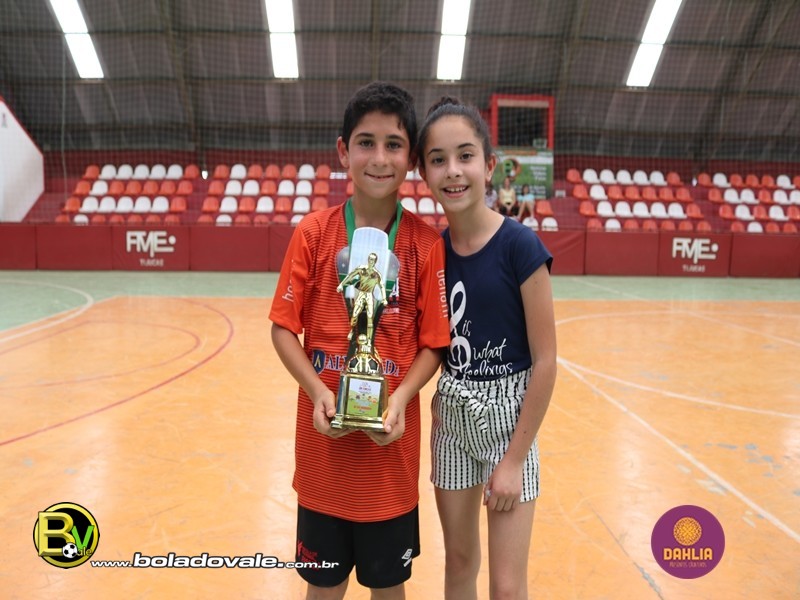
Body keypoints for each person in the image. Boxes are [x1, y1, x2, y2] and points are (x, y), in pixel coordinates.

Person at [269, 81, 450, 600]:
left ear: (411, 158)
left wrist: (401, 399)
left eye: (394, 144)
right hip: (322, 462)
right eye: (366, 143)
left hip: (390, 466)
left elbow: (433, 344)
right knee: (322, 588)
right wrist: (317, 392)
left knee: (388, 589)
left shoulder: (425, 245)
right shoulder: (313, 233)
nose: (379, 158)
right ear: (344, 151)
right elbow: (283, 328)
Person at [416, 97, 557, 600]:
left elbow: (546, 361)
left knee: (506, 585)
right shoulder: (432, 253)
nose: (453, 171)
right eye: (438, 159)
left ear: (489, 165)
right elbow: (432, 345)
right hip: (452, 420)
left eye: (465, 155)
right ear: (424, 173)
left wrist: (514, 460)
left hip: (510, 425)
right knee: (459, 563)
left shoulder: (520, 246)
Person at [337, 252, 386, 342]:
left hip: (369, 295)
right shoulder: (362, 269)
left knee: (370, 317)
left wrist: (384, 298)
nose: (371, 261)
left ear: (375, 261)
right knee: (354, 315)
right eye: (370, 259)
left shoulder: (376, 274)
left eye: (373, 259)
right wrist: (341, 284)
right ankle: (351, 330)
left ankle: (369, 340)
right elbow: (351, 275)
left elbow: (382, 286)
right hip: (361, 294)